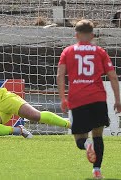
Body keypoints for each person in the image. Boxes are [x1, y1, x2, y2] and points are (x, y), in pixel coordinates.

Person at [57, 19, 121, 179]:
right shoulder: (100, 52)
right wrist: (118, 100)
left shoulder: (68, 52)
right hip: (98, 98)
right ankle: (97, 171)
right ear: (92, 35)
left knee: (80, 138)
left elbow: (60, 75)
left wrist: (63, 98)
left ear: (76, 35)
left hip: (78, 99)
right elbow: (113, 77)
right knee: (98, 135)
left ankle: (87, 145)